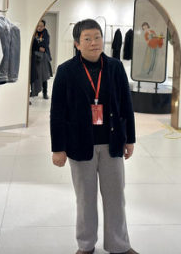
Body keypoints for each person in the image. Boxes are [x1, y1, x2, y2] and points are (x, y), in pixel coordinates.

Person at [50, 19, 139, 254]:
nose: (94, 43)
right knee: (85, 199)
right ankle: (86, 245)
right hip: (79, 145)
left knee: (115, 197)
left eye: (97, 37)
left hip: (112, 143)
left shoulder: (115, 67)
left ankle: (119, 245)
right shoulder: (66, 71)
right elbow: (57, 112)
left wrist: (130, 139)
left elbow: (126, 105)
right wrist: (58, 148)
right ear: (77, 44)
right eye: (87, 39)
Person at [31, 19, 53, 99]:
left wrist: (38, 45)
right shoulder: (33, 33)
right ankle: (34, 91)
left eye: (41, 26)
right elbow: (33, 44)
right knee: (34, 74)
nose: (39, 28)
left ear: (44, 27)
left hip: (43, 57)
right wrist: (38, 46)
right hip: (34, 57)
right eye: (38, 26)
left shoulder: (46, 34)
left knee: (44, 75)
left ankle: (45, 93)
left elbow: (45, 44)